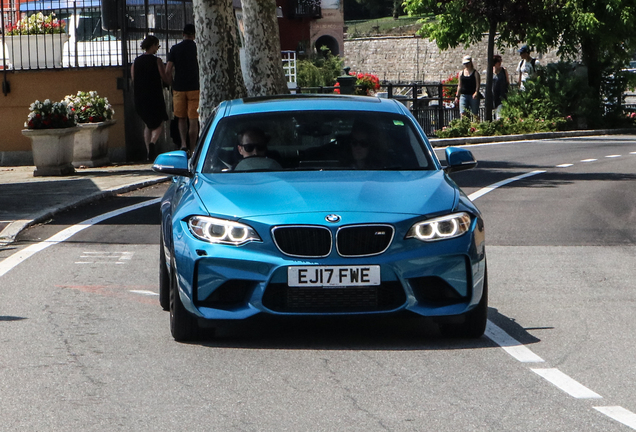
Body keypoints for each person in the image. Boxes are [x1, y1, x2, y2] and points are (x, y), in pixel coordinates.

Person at [131, 35, 171, 161]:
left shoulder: (136, 61)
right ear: (152, 45)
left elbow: (133, 78)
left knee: (147, 124)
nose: (157, 49)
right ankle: (153, 143)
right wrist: (170, 82)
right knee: (159, 122)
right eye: (157, 46)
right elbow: (163, 76)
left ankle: (149, 152)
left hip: (140, 96)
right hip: (154, 95)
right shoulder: (157, 61)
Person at [166, 24, 199, 154]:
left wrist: (172, 84)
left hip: (179, 88)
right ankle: (193, 148)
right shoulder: (197, 48)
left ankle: (183, 145)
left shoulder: (175, 49)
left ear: (183, 34)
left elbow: (168, 70)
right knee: (193, 120)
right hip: (195, 87)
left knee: (181, 118)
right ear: (194, 35)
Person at [492, 54, 510, 120]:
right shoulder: (491, 71)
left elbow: (507, 82)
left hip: (502, 94)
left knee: (500, 114)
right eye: (498, 62)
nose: (500, 63)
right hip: (494, 95)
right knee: (495, 113)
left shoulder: (504, 70)